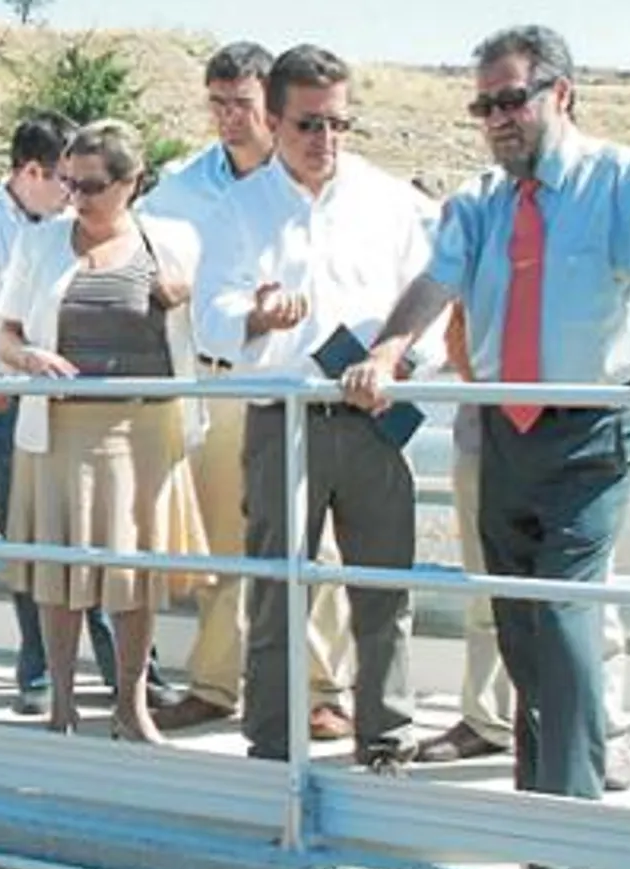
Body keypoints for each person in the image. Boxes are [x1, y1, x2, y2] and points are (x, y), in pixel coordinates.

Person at [358, 24, 630, 812]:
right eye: (484, 106)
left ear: (560, 93)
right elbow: (434, 283)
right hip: (503, 424)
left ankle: (570, 804)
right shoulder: (480, 201)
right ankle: (537, 780)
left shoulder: (621, 178)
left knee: (565, 600)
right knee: (514, 610)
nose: (498, 118)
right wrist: (387, 352)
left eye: (511, 99)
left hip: (590, 424)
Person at [194, 45, 443, 764]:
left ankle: (387, 735)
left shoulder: (391, 200)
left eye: (339, 124)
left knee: (384, 586)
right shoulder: (237, 208)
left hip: (373, 420)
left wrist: (399, 358)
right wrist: (255, 313)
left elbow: (433, 291)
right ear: (271, 120)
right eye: (308, 124)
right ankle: (272, 740)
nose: (324, 140)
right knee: (277, 589)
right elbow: (209, 314)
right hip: (282, 418)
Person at [140, 41, 356, 737]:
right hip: (214, 379)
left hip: (302, 382)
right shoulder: (179, 189)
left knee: (312, 546)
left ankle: (321, 689)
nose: (229, 118)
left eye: (243, 103)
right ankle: (214, 682)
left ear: (273, 102)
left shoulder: (325, 184)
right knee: (226, 541)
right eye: (217, 103)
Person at [0, 120, 211, 743]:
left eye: (92, 185)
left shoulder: (173, 241)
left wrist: (188, 294)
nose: (77, 198)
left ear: (131, 183)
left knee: (132, 577)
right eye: (69, 183)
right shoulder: (39, 244)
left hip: (144, 430)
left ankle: (131, 706)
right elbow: (0, 333)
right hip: (60, 430)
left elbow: (221, 312)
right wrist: (29, 357)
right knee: (60, 576)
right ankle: (61, 704)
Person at [418, 312, 630, 792]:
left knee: (583, 597)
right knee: (488, 590)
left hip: (570, 435)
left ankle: (605, 731)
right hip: (484, 431)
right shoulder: (476, 242)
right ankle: (488, 718)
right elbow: (452, 323)